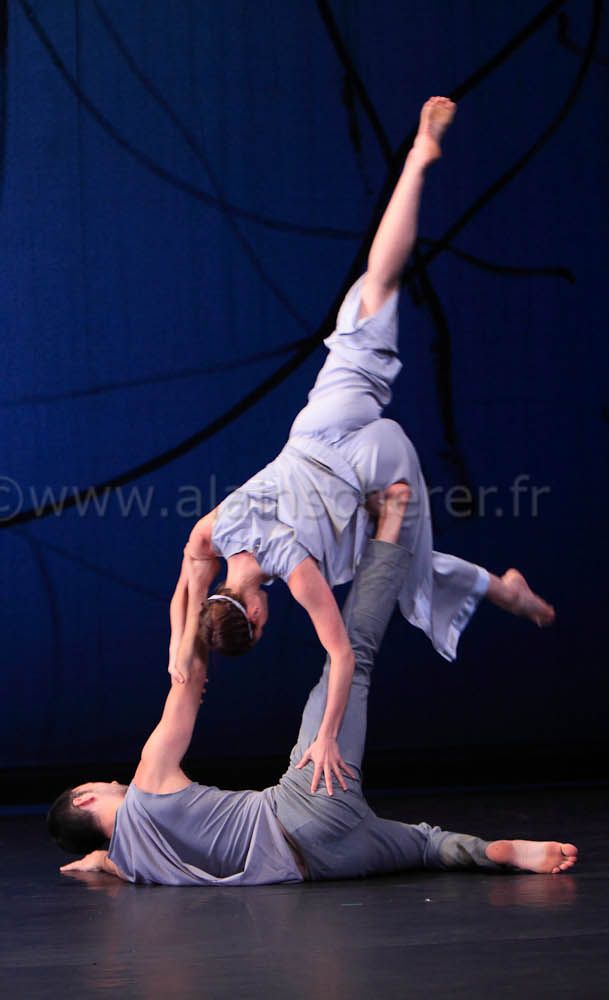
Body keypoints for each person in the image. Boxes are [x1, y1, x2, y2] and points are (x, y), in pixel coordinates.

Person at [167, 97, 555, 797]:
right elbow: (186, 588)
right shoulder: (213, 536)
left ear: (256, 620)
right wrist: (179, 651)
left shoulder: (294, 573)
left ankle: (503, 591)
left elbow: (342, 655)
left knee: (398, 569)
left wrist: (324, 736)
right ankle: (417, 162)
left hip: (372, 463)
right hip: (322, 427)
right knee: (377, 285)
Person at [50, 497, 578, 885]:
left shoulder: (136, 865)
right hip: (305, 804)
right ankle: (391, 522)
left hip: (326, 866)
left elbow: (111, 861)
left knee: (424, 844)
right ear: (85, 797)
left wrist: (94, 859)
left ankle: (494, 852)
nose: (114, 780)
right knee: (351, 657)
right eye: (101, 783)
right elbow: (187, 687)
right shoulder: (148, 781)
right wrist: (197, 630)